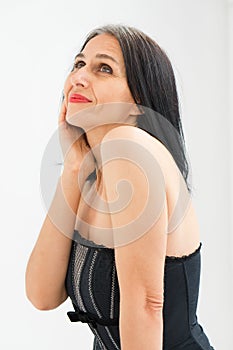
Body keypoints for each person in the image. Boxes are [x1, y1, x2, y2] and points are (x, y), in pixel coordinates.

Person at [25, 24, 215, 349]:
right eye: (78, 64)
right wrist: (73, 168)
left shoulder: (129, 147)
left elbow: (146, 307)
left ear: (138, 100)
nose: (79, 77)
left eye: (104, 68)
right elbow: (42, 294)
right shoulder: (93, 170)